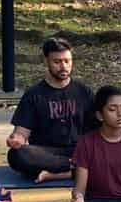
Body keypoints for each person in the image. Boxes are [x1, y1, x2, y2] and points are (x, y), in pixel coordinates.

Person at [6, 35, 94, 182]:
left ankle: (59, 173)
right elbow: (21, 133)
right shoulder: (34, 94)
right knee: (17, 155)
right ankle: (79, 168)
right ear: (46, 61)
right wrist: (16, 140)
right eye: (57, 62)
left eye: (67, 61)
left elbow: (97, 129)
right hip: (47, 153)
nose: (64, 66)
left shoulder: (83, 91)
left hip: (79, 150)